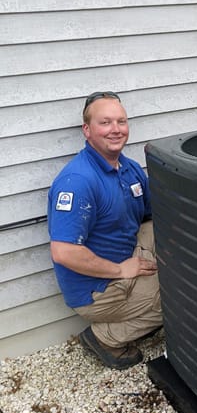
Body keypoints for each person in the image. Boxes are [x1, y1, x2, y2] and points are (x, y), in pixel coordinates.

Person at [48, 91, 162, 369]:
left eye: (121, 121)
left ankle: (145, 299)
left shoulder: (130, 169)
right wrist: (122, 270)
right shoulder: (78, 181)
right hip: (97, 288)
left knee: (184, 253)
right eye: (105, 122)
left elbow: (151, 218)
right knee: (182, 294)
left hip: (125, 253)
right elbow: (63, 252)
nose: (116, 130)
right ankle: (104, 337)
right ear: (87, 130)